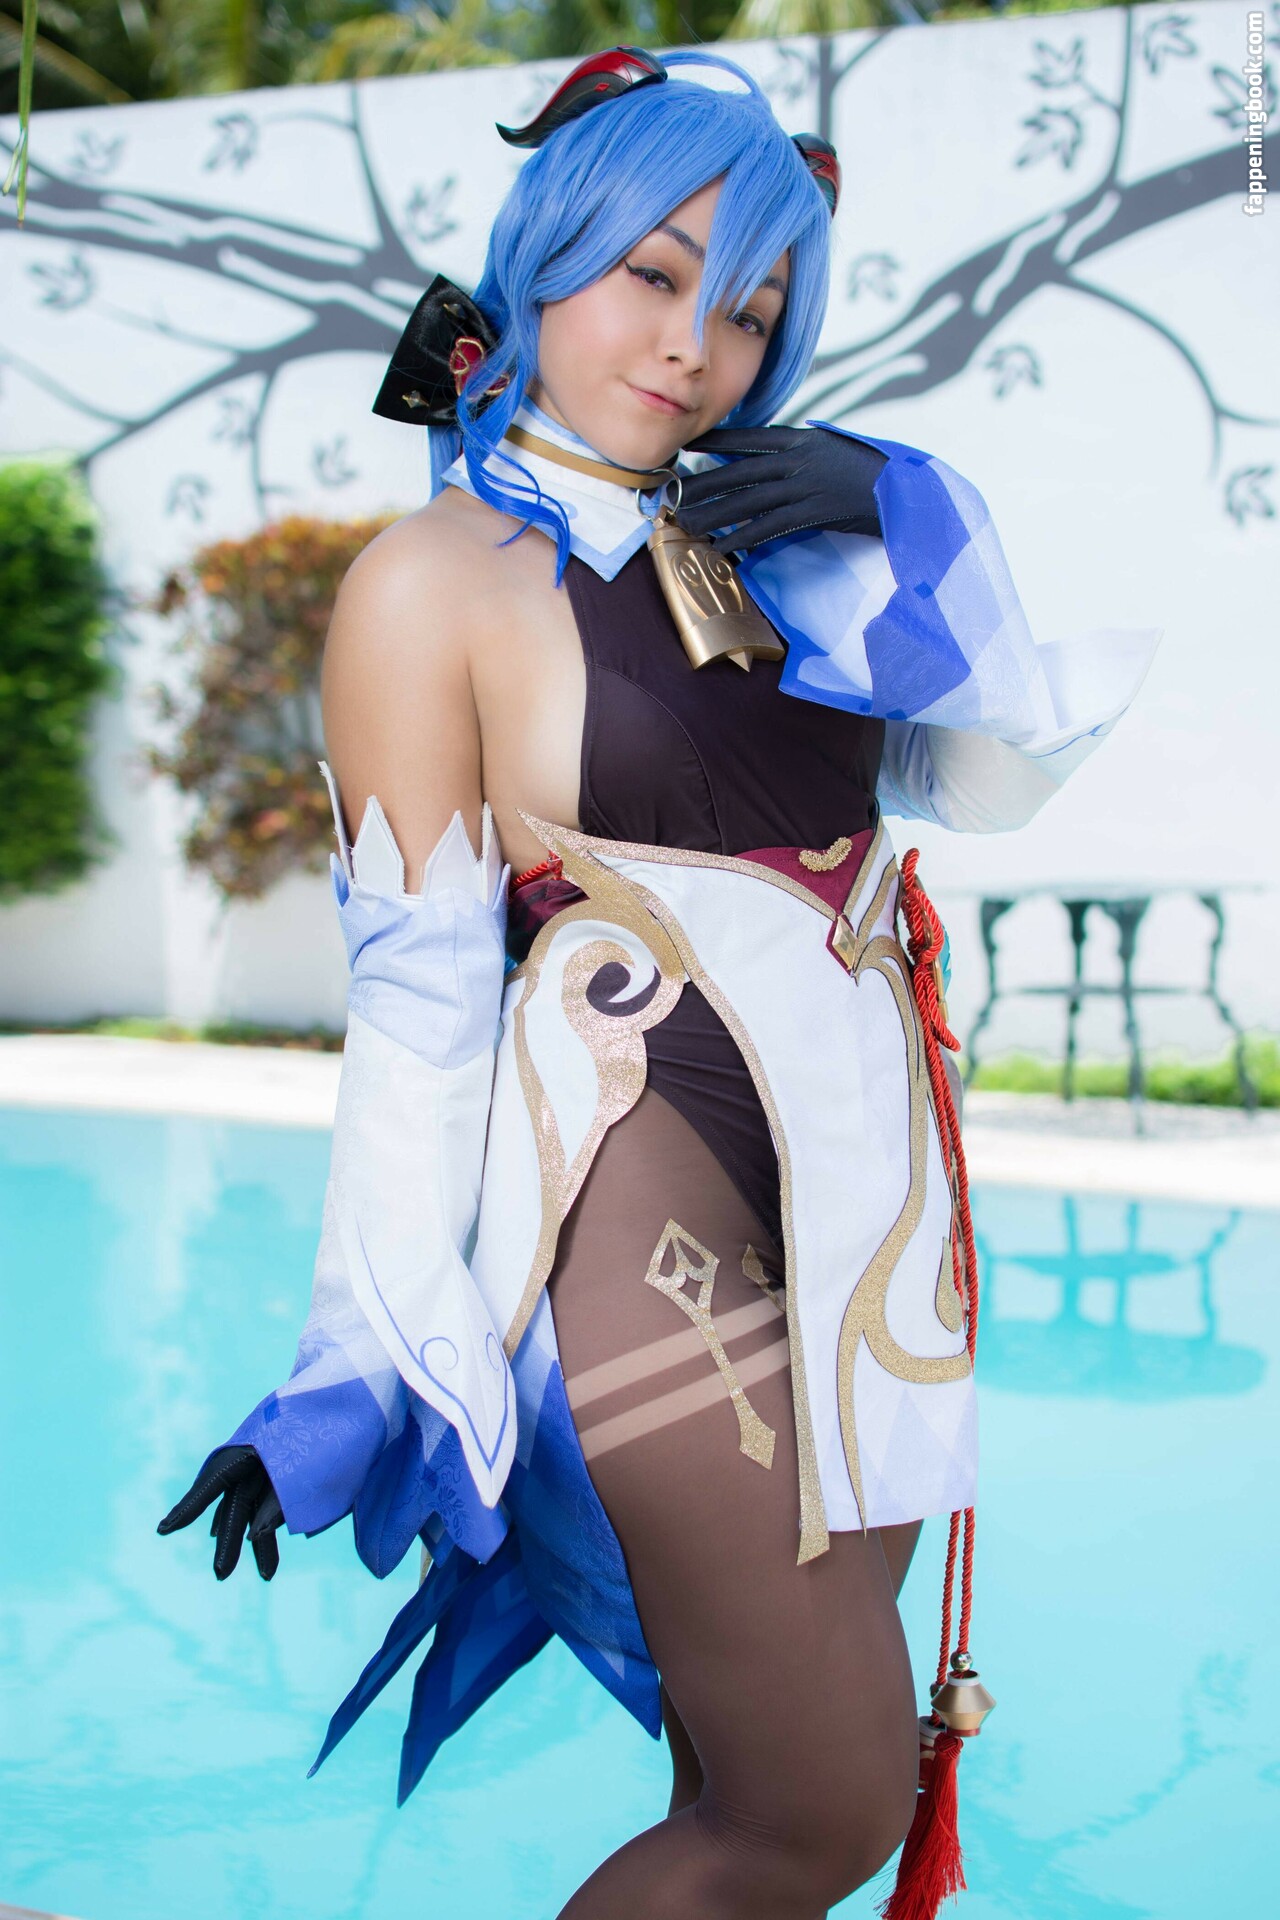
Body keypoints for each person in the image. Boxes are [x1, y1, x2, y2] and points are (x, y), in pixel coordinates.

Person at [158, 47, 1157, 1920]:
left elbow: (988, 765)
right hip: (644, 1175)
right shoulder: (431, 584)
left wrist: (901, 496)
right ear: (551, 254)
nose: (700, 346)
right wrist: (347, 1372)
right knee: (819, 1807)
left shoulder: (796, 543)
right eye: (656, 275)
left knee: (771, 1784)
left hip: (871, 1204)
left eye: (755, 310)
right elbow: (423, 1009)